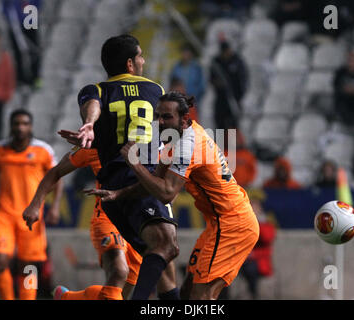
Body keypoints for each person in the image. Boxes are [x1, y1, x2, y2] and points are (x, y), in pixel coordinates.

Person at [88, 92, 260, 300]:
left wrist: (134, 163)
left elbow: (167, 193)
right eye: (158, 116)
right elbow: (154, 183)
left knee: (201, 298)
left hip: (233, 224)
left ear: (184, 119)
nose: (160, 122)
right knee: (187, 292)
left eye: (167, 117)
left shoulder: (190, 145)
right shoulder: (175, 140)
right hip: (217, 224)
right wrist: (119, 193)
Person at [58, 34, 179, 300]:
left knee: (158, 263)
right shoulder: (156, 90)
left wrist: (89, 124)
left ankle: (72, 298)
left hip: (114, 189)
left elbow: (93, 107)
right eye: (140, 56)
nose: (143, 60)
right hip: (140, 181)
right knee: (165, 248)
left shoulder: (96, 90)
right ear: (130, 63)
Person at [23, 146, 179, 300]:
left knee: (120, 293)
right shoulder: (97, 144)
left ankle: (69, 297)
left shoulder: (153, 143)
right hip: (107, 217)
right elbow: (56, 171)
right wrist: (35, 204)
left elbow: (169, 183)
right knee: (119, 271)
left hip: (139, 221)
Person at [0, 109, 63, 300]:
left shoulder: (43, 151)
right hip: (4, 215)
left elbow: (57, 178)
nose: (20, 127)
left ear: (30, 126)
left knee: (29, 266)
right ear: (11, 126)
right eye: (17, 123)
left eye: (24, 123)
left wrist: (55, 206)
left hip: (32, 216)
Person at [239, 192, 276, 300]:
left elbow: (266, 237)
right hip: (243, 261)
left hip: (260, 262)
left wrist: (256, 222)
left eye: (255, 207)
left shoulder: (266, 223)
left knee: (251, 268)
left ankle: (253, 293)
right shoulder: (242, 223)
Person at [2, 0, 42, 87]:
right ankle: (20, 78)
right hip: (15, 22)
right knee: (17, 51)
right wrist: (9, 16)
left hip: (30, 20)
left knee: (33, 49)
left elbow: (37, 3)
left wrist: (32, 14)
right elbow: (5, 5)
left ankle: (35, 77)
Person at [210, 41, 248, 130]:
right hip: (221, 98)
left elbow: (243, 79)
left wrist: (239, 95)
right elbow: (212, 79)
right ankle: (220, 143)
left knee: (233, 126)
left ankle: (231, 144)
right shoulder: (217, 62)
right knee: (220, 125)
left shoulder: (237, 61)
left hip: (234, 97)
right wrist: (218, 83)